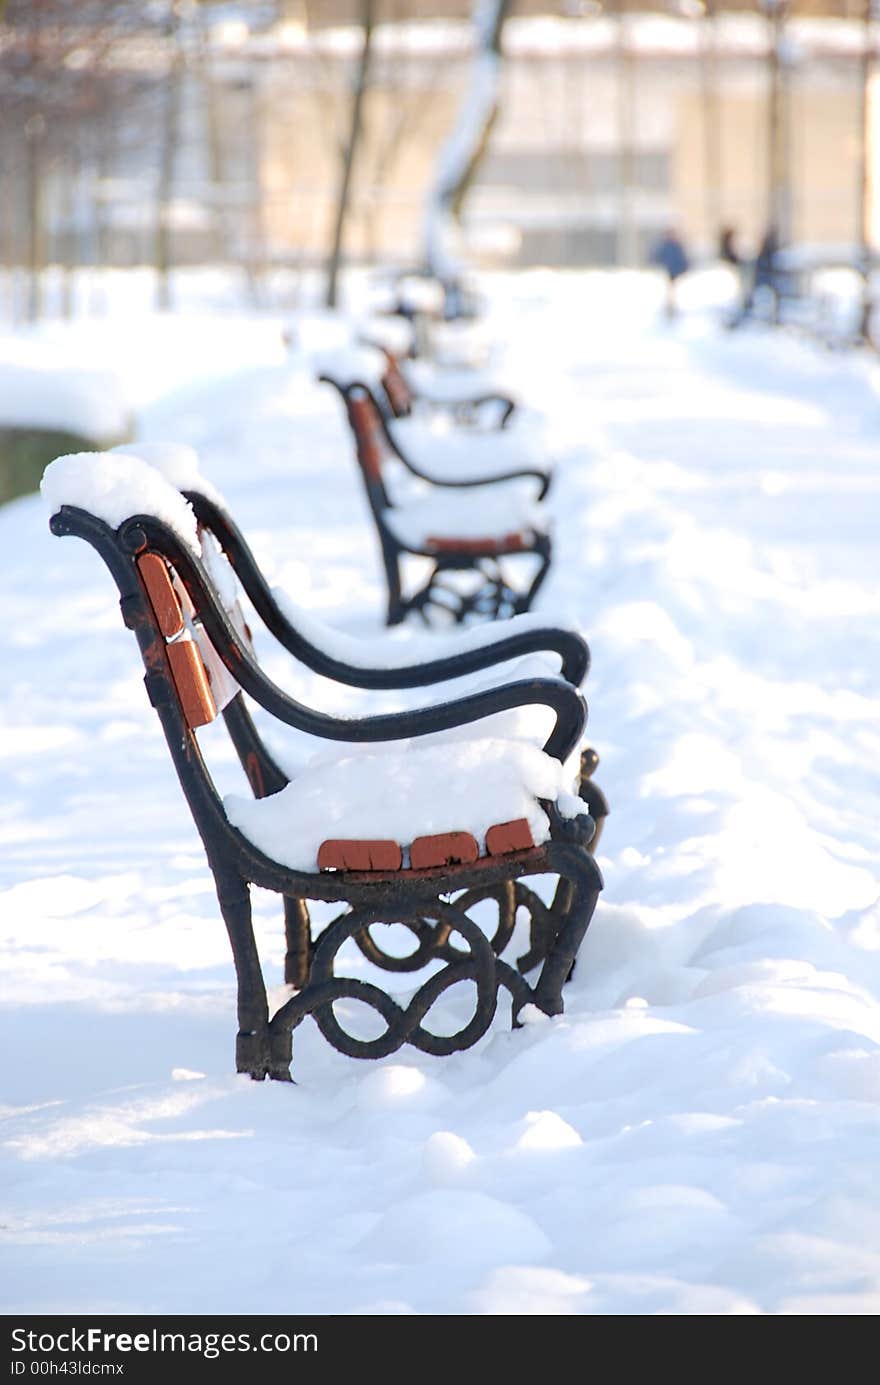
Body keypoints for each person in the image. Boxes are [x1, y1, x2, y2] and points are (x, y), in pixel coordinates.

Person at [649, 227, 690, 318]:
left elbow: (682, 259)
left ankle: (672, 306)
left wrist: (683, 268)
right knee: (670, 289)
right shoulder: (666, 246)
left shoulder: (676, 246)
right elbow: (657, 256)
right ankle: (669, 306)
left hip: (675, 271)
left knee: (673, 289)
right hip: (667, 271)